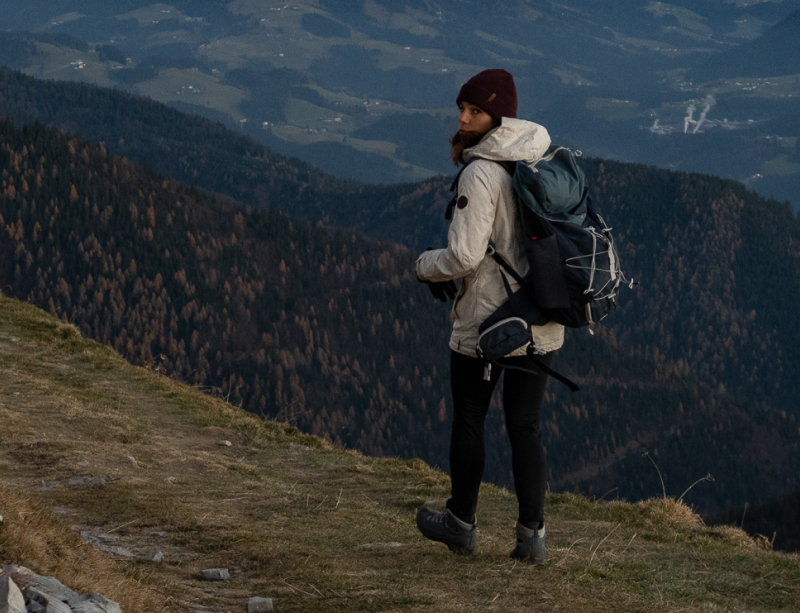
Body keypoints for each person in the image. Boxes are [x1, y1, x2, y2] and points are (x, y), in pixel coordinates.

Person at [414, 68, 564, 564]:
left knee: (471, 418)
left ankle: (461, 523)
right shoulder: (537, 159)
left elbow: (463, 257)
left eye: (475, 111)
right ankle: (532, 539)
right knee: (526, 427)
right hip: (542, 316)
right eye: (462, 108)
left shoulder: (481, 172)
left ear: (498, 115)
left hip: (488, 323)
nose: (463, 118)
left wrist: (424, 267)